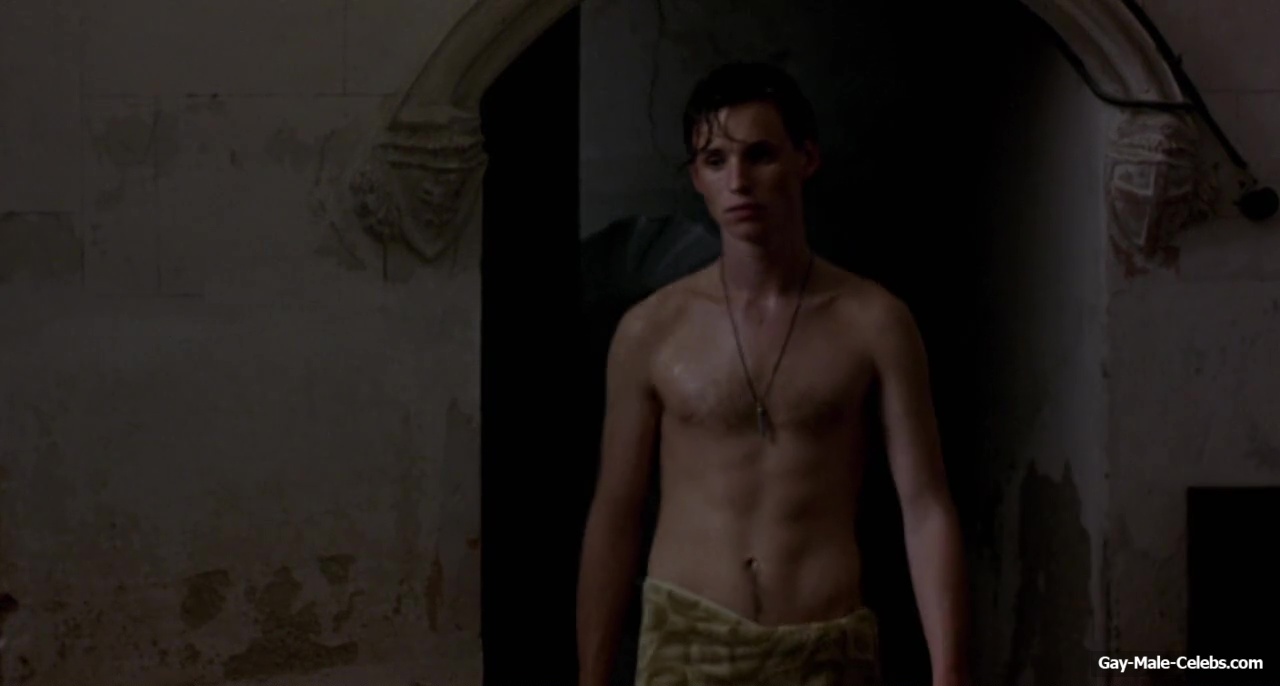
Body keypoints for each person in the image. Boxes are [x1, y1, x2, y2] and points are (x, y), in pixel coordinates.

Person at [576, 61, 970, 686]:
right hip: (688, 643)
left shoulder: (874, 322)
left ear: (805, 158)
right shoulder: (652, 330)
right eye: (715, 161)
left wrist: (951, 672)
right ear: (696, 177)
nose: (738, 181)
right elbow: (614, 513)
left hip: (824, 647)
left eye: (759, 155)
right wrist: (592, 677)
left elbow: (925, 506)